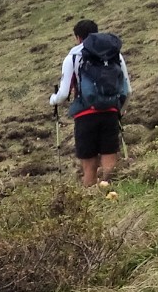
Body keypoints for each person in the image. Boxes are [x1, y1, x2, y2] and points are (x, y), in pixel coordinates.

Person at [49, 19, 131, 187]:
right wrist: (119, 109)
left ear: (78, 37)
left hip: (85, 115)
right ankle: (110, 196)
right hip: (110, 111)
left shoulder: (72, 57)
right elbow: (127, 90)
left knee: (89, 167)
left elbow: (63, 94)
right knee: (110, 159)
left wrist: (53, 99)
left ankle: (92, 203)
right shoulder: (114, 54)